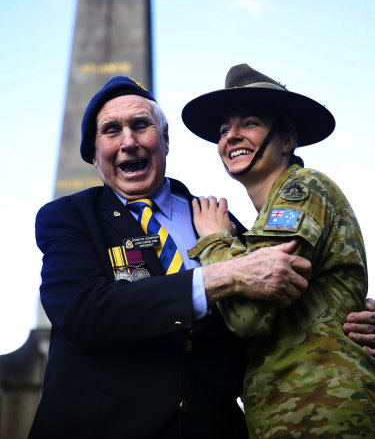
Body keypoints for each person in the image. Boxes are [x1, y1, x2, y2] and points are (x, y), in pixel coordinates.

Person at [29, 76, 313, 439]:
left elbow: (271, 322)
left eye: (141, 125)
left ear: (164, 139)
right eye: (112, 131)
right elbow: (84, 311)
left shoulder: (220, 223)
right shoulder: (67, 218)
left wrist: (344, 325)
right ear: (94, 155)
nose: (128, 141)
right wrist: (219, 278)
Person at [182, 64, 375, 436]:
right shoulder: (267, 217)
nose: (231, 136)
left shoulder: (301, 190)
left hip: (322, 416)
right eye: (224, 129)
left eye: (249, 122)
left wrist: (213, 240)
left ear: (287, 140)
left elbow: (248, 315)